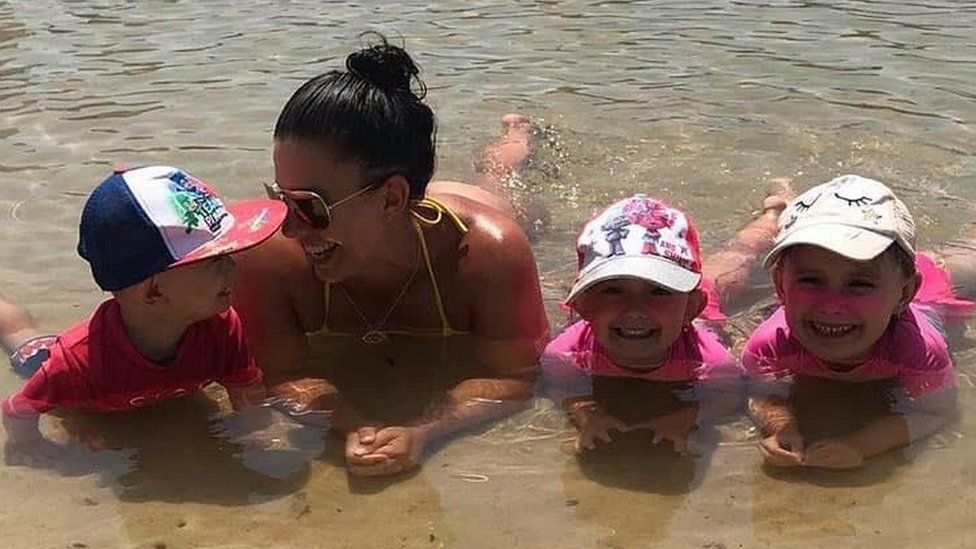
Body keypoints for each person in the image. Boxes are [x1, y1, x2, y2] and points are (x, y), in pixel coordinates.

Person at [233, 35, 549, 477]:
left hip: (465, 208)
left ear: (391, 198)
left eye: (309, 206)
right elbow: (278, 374)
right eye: (280, 197)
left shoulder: (485, 254)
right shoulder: (270, 259)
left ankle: (516, 139)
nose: (288, 226)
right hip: (403, 221)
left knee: (499, 180)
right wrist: (356, 427)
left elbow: (518, 376)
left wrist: (426, 430)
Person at [1, 165, 287, 464]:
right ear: (153, 292)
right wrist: (30, 446)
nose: (233, 266)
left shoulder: (223, 326)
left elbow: (245, 387)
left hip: (140, 389)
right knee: (20, 333)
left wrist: (256, 435)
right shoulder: (75, 364)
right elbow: (18, 410)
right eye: (215, 260)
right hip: (69, 384)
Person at [744, 174, 974, 469]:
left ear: (904, 294)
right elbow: (759, 393)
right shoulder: (769, 345)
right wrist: (779, 426)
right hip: (888, 281)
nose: (831, 305)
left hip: (934, 290)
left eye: (859, 284)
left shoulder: (918, 348)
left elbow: (936, 412)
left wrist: (862, 446)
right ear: (780, 286)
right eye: (811, 280)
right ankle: (783, 203)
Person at [542, 188, 790, 454]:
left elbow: (727, 398)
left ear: (691, 307)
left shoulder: (711, 364)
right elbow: (561, 388)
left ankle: (774, 213)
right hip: (674, 301)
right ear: (582, 304)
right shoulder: (564, 354)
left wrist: (683, 419)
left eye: (659, 290)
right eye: (613, 289)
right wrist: (585, 414)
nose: (635, 310)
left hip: (704, 312)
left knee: (738, 260)